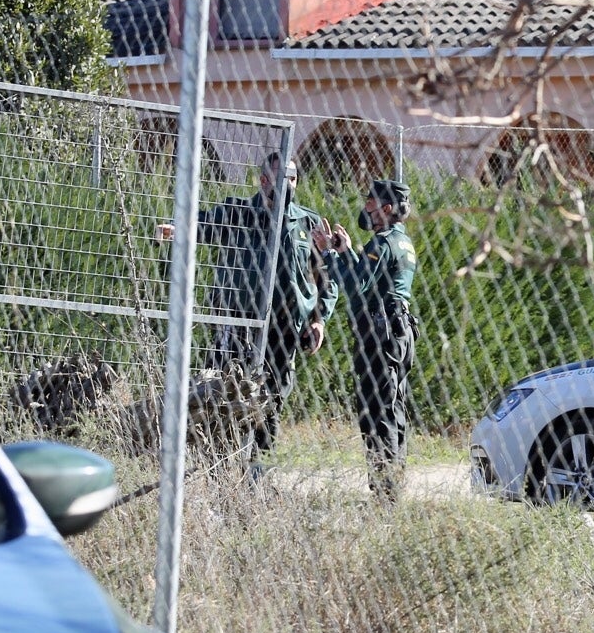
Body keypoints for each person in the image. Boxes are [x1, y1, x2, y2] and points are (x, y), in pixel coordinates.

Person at [157, 153, 337, 461]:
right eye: (283, 178)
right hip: (237, 321)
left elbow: (325, 278)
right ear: (264, 180)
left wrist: (319, 319)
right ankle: (222, 465)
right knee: (226, 390)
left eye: (293, 178)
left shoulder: (308, 222)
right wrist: (175, 229)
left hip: (284, 326)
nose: (288, 184)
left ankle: (257, 470)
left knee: (273, 397)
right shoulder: (237, 212)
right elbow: (201, 224)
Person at [318, 179, 416, 502]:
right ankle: (391, 488)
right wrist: (347, 252)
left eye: (371, 203)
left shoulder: (382, 242)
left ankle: (384, 494)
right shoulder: (402, 241)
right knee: (393, 407)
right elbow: (369, 278)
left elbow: (357, 289)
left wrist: (330, 257)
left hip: (381, 333)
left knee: (377, 413)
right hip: (399, 333)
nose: (366, 208)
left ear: (386, 209)